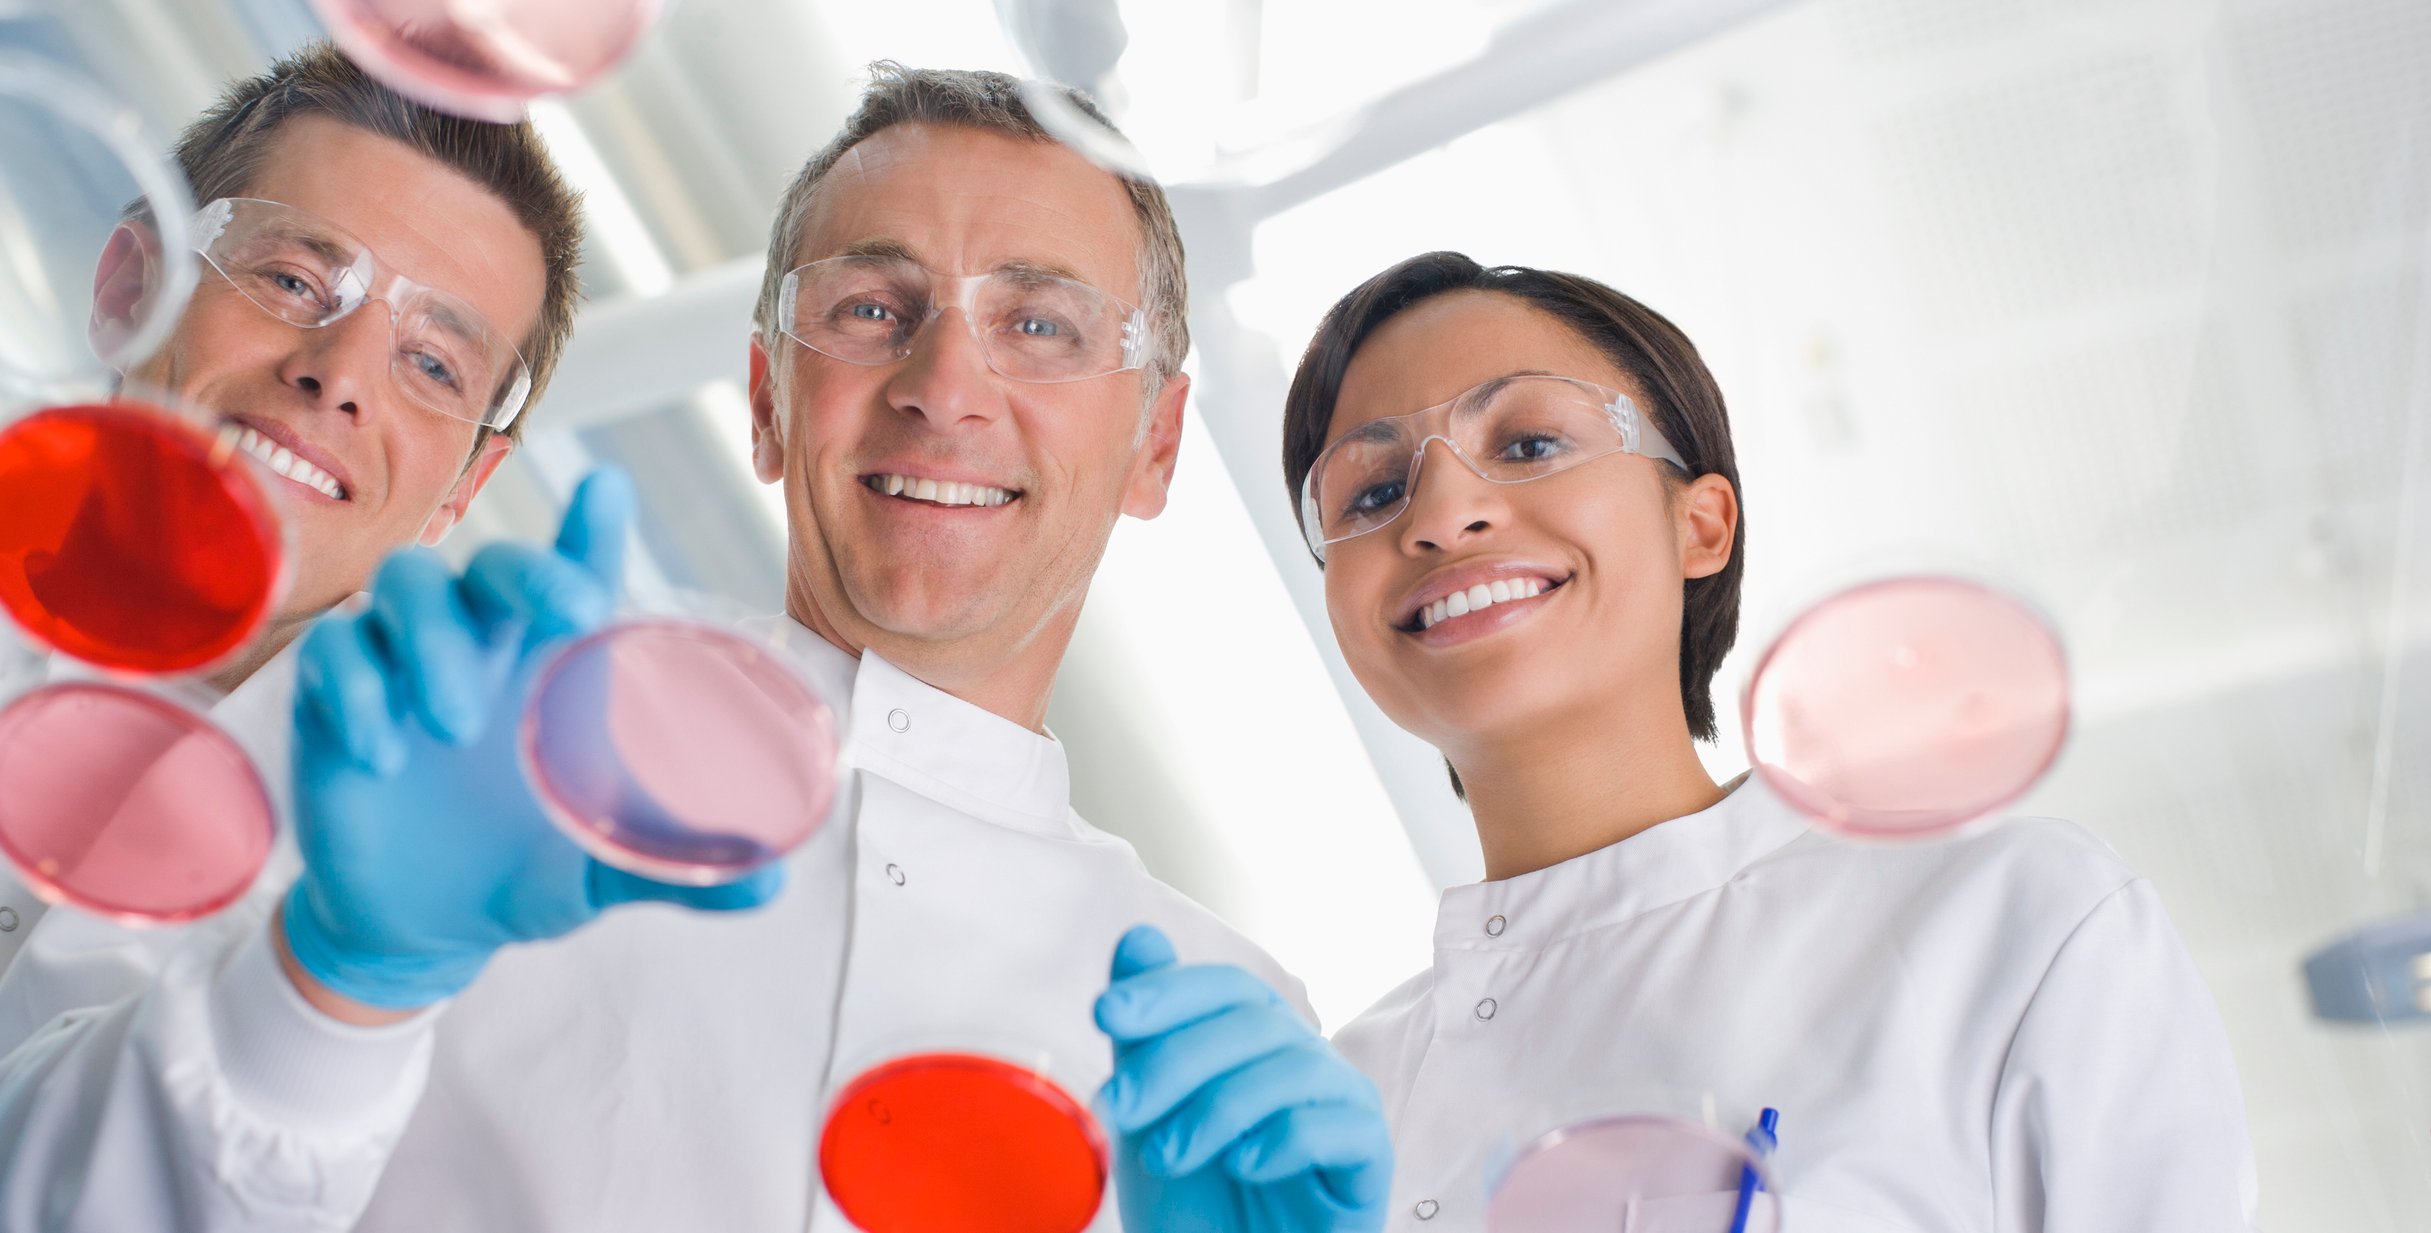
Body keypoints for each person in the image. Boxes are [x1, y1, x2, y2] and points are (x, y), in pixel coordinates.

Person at [0, 63, 1391, 1233]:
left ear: (1154, 441)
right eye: (869, 309)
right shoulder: (435, 709)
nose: (945, 387)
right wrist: (334, 986)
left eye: (1039, 325)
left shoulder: (1235, 1031)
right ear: (768, 400)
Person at [1276, 252, 2258, 1232]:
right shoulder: (1323, 1120)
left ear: (1700, 526)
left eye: (1530, 443)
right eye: (1370, 495)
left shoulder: (2002, 920)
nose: (1446, 515)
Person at [0, 44, 582, 978]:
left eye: (434, 363)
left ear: (460, 496)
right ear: (130, 293)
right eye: (293, 281)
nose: (339, 374)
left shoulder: (382, 912)